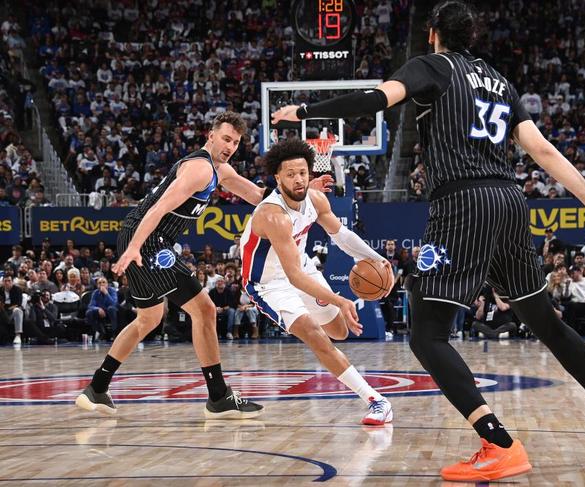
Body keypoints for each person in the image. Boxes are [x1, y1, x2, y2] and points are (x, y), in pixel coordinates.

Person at [272, 2, 585, 480]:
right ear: (472, 36)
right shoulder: (499, 81)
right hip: (510, 201)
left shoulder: (432, 66)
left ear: (432, 33)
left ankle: (499, 443)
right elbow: (542, 150)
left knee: (426, 334)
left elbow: (375, 98)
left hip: (463, 203)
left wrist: (306, 111)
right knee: (545, 323)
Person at [76, 112, 330, 419]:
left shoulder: (220, 170)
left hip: (146, 239)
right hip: (148, 241)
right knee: (205, 310)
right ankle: (219, 396)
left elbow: (258, 196)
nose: (230, 146)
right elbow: (158, 207)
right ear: (210, 136)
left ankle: (97, 388)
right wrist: (133, 247)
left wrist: (303, 190)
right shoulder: (199, 168)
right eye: (225, 139)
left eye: (235, 142)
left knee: (148, 319)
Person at [240, 139, 394, 425]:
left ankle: (322, 335)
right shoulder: (273, 215)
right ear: (277, 178)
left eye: (302, 173)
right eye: (290, 174)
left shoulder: (316, 200)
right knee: (314, 334)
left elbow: (342, 236)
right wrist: (338, 299)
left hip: (302, 267)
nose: (298, 179)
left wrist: (378, 259)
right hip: (269, 284)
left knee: (339, 331)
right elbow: (293, 277)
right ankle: (377, 401)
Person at [85, 277, 119, 341]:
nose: (102, 284)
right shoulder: (95, 292)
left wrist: (106, 293)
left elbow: (114, 303)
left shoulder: (112, 291)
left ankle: (114, 333)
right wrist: (98, 309)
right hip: (101, 311)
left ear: (107, 284)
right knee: (89, 312)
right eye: (99, 283)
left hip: (110, 311)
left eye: (104, 282)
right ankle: (100, 332)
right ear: (97, 285)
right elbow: (90, 305)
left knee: (111, 309)